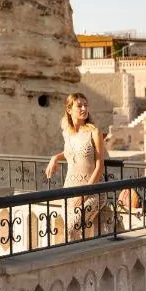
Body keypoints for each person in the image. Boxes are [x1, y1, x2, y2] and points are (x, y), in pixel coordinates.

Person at [45, 93, 106, 241]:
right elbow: (70, 153)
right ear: (69, 109)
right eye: (79, 106)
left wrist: (85, 193)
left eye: (86, 105)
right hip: (70, 189)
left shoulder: (94, 132)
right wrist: (55, 158)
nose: (84, 108)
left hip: (92, 192)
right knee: (69, 232)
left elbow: (100, 165)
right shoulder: (68, 133)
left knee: (72, 229)